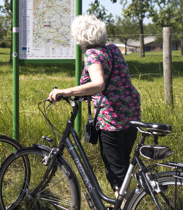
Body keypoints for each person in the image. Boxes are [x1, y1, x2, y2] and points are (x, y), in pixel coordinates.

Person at [49, 14, 141, 200]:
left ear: (79, 36)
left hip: (112, 118)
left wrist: (67, 91)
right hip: (131, 112)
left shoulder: (92, 54)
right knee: (123, 165)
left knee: (116, 174)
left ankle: (124, 203)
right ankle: (127, 200)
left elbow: (99, 83)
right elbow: (113, 80)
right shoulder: (113, 49)